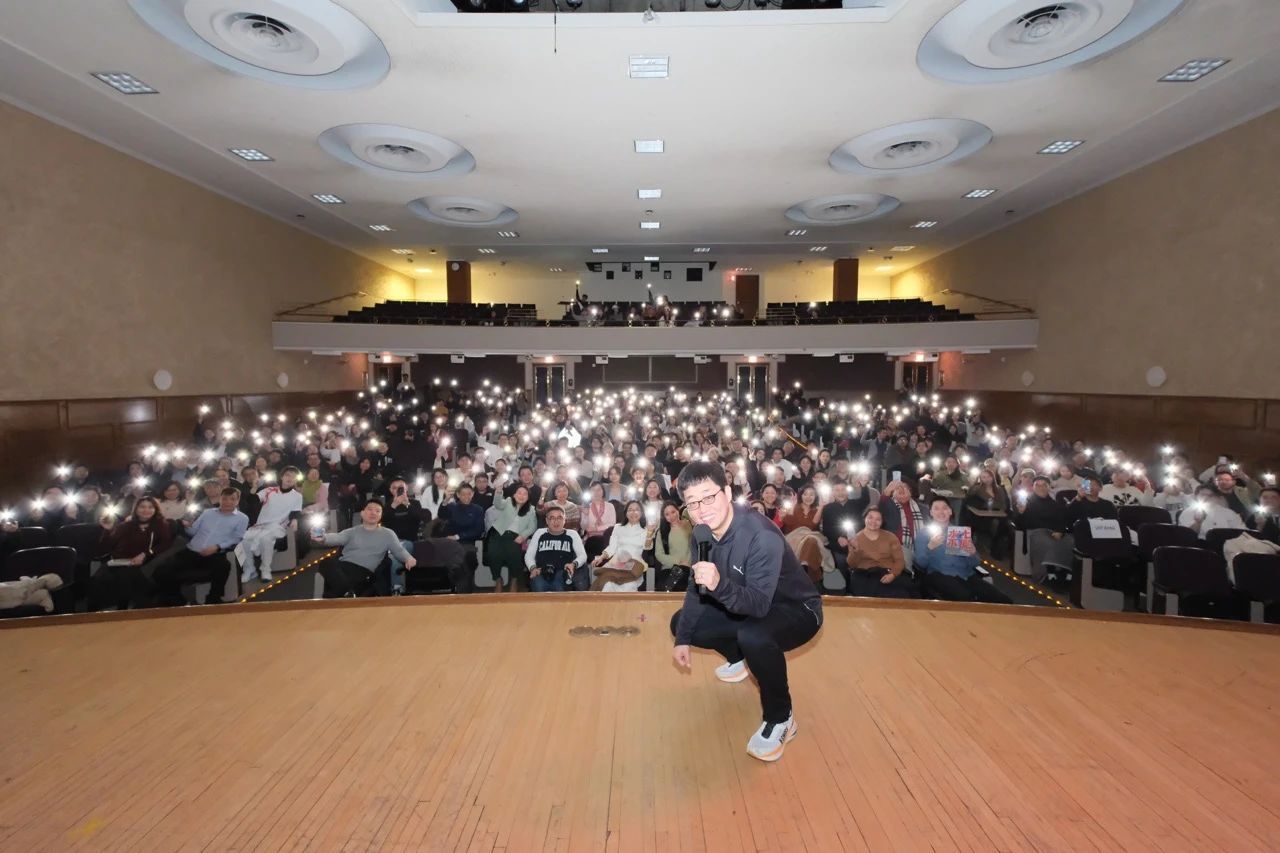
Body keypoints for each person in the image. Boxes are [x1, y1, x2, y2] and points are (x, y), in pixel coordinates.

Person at [670, 461, 822, 762]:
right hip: (745, 599)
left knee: (753, 635)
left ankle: (781, 718)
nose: (701, 509)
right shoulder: (701, 532)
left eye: (709, 496)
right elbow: (696, 587)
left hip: (797, 609)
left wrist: (718, 584)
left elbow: (758, 605)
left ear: (727, 492)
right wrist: (683, 638)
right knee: (683, 624)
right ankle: (739, 658)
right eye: (692, 503)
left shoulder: (759, 536)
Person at [151, 487, 248, 606]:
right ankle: (176, 598)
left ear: (237, 501)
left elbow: (236, 538)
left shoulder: (242, 518)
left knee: (224, 567)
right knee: (161, 571)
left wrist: (217, 547)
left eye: (232, 499)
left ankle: (213, 598)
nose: (228, 502)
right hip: (191, 551)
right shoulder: (208, 513)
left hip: (215, 553)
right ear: (220, 499)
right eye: (225, 499)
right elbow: (193, 531)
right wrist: (187, 526)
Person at [914, 497, 1012, 604]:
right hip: (940, 575)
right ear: (931, 513)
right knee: (966, 597)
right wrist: (930, 548)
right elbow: (921, 564)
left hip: (966, 575)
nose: (941, 512)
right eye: (936, 509)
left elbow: (975, 563)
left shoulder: (959, 533)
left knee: (1004, 600)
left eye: (944, 508)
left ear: (950, 511)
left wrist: (972, 553)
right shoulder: (924, 533)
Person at [314, 499, 417, 598]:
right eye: (370, 509)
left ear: (381, 515)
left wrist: (408, 558)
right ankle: (347, 592)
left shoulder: (387, 534)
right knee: (326, 562)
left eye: (377, 511)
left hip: (364, 571)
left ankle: (344, 592)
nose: (373, 513)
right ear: (362, 513)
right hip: (343, 567)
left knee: (333, 589)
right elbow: (336, 537)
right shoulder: (352, 531)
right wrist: (323, 538)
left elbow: (399, 550)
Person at [89, 496, 174, 610]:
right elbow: (107, 546)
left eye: (150, 507)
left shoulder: (160, 525)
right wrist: (107, 530)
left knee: (125, 577)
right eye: (142, 507)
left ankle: (123, 609)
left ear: (155, 510)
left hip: (142, 562)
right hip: (119, 561)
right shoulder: (126, 525)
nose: (146, 510)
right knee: (98, 579)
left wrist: (145, 554)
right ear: (136, 509)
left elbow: (165, 544)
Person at [236, 467, 303, 583]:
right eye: (287, 475)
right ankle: (249, 570)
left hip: (278, 526)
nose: (290, 478)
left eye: (293, 477)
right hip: (260, 525)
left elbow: (295, 512)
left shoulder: (297, 496)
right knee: (241, 542)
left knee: (266, 539)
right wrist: (255, 487)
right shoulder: (269, 490)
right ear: (282, 477)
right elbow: (252, 500)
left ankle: (265, 569)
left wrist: (295, 520)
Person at [845, 506, 916, 598]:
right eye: (870, 517)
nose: (873, 522)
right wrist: (856, 549)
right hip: (865, 574)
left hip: (888, 571)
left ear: (882, 522)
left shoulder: (890, 537)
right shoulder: (855, 538)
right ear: (864, 519)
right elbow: (852, 564)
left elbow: (899, 560)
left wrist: (893, 574)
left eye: (878, 519)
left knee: (905, 591)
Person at [486, 476, 538, 592]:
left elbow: (532, 526)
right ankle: (498, 579)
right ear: (514, 495)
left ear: (528, 497)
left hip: (515, 537)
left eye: (525, 494)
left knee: (514, 558)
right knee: (493, 556)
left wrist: (523, 536)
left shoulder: (531, 509)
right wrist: (499, 491)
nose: (521, 495)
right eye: (519, 493)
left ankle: (514, 579)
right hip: (498, 534)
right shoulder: (508, 502)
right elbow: (497, 504)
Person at [588, 500, 648, 591]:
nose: (633, 512)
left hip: (633, 565)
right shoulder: (618, 527)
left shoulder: (645, 530)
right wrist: (601, 557)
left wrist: (650, 534)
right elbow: (612, 547)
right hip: (617, 563)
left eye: (637, 510)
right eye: (630, 509)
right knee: (607, 585)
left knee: (629, 586)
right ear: (626, 513)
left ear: (642, 513)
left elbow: (647, 546)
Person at [525, 507, 588, 592]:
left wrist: (573, 564)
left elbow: (582, 555)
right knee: (538, 587)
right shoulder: (540, 532)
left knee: (559, 588)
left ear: (564, 520)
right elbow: (529, 555)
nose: (556, 521)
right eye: (552, 518)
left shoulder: (572, 534)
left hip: (562, 572)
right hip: (541, 571)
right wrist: (533, 568)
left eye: (559, 518)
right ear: (547, 521)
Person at [382, 477, 428, 594]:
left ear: (406, 489)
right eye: (395, 488)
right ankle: (398, 588)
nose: (398, 490)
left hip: (409, 542)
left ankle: (397, 588)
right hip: (391, 543)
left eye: (401, 488)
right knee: (394, 555)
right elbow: (384, 521)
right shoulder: (387, 506)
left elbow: (421, 518)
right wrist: (394, 505)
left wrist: (407, 504)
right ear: (391, 490)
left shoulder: (415, 504)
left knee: (396, 553)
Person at [653, 500, 692, 591]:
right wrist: (678, 561)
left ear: (678, 511)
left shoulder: (688, 525)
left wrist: (688, 563)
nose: (671, 516)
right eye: (667, 514)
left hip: (688, 568)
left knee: (676, 588)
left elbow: (694, 546)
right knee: (664, 590)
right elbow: (659, 554)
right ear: (664, 517)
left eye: (673, 512)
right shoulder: (662, 531)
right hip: (669, 568)